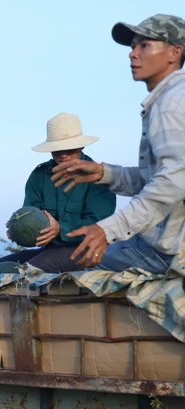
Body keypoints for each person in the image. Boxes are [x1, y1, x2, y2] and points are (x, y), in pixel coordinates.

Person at [51, 14, 185, 274]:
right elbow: (159, 177)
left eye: (144, 45)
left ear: (174, 53)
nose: (132, 54)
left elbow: (174, 181)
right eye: (133, 46)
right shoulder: (170, 99)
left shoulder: (171, 103)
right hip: (162, 243)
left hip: (169, 251)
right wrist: (105, 173)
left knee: (81, 276)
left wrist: (107, 229)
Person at [0, 113, 116, 274]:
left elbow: (98, 226)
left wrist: (61, 229)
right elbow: (31, 216)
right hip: (50, 250)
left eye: (69, 148)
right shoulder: (39, 176)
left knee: (31, 270)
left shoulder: (98, 178)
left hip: (86, 251)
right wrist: (20, 230)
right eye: (57, 149)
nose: (63, 154)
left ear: (82, 146)